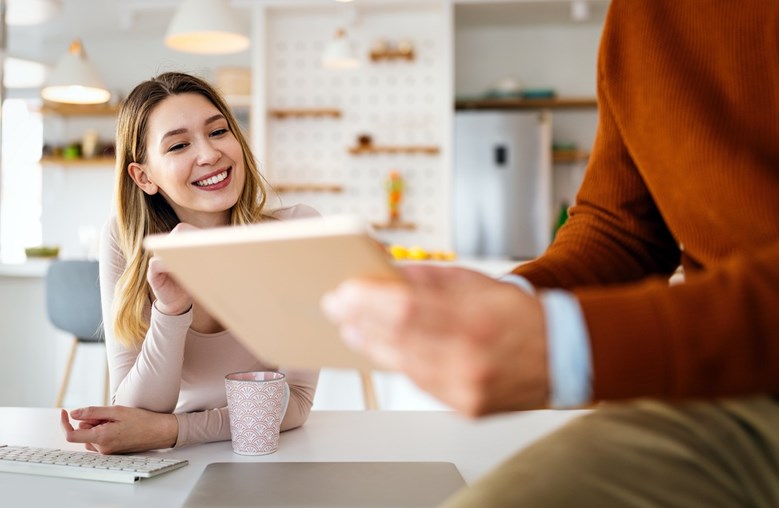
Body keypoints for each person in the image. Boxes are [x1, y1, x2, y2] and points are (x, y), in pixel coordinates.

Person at [321, 2, 779, 506]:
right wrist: (512, 298)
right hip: (734, 395)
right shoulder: (637, 15)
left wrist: (569, 345)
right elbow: (619, 228)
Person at [60, 72, 319, 454]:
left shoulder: (298, 232)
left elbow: (294, 403)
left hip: (270, 458)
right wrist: (172, 308)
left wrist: (170, 431)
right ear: (143, 176)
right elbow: (132, 411)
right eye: (179, 145)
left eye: (218, 132)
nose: (210, 154)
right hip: (176, 469)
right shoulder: (125, 241)